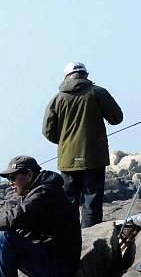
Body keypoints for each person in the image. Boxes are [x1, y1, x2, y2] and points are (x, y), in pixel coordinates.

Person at [42, 62, 124, 227]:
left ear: (66, 77)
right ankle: (90, 236)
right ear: (85, 75)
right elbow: (117, 118)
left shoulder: (56, 99)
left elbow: (47, 131)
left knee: (69, 201)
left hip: (67, 159)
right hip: (94, 157)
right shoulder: (98, 92)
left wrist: (65, 143)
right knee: (92, 201)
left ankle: (69, 236)